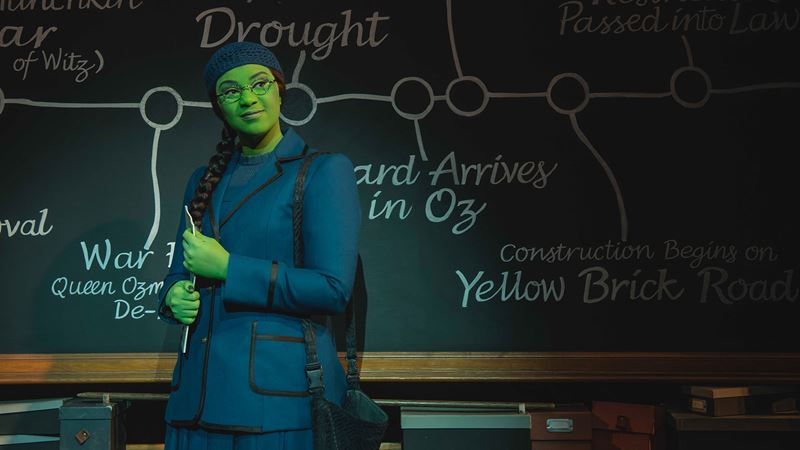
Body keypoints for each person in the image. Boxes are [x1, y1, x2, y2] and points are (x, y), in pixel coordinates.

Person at [157, 41, 361, 450]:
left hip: (276, 408)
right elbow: (182, 270)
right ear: (219, 106)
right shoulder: (202, 180)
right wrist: (172, 296)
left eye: (259, 84)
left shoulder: (323, 171)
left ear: (279, 90)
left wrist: (230, 269)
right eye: (231, 91)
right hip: (193, 404)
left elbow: (333, 288)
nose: (248, 98)